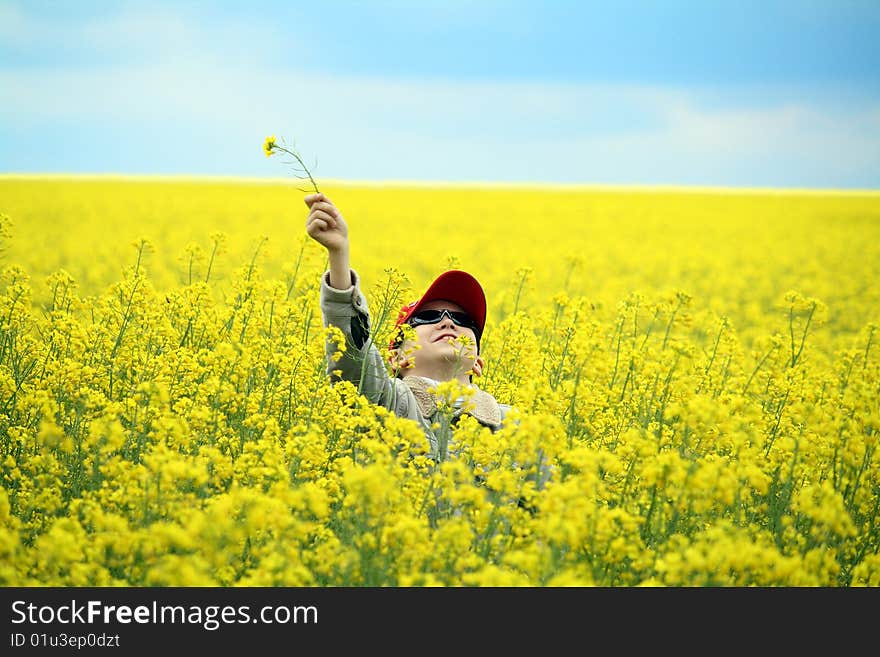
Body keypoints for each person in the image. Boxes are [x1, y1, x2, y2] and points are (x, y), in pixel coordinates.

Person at [304, 192, 513, 462]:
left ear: (478, 364)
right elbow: (354, 358)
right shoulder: (388, 406)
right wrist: (339, 255)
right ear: (396, 358)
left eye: (464, 321)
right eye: (427, 317)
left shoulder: (516, 427)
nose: (448, 321)